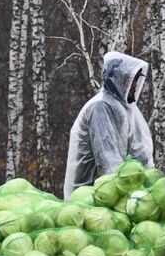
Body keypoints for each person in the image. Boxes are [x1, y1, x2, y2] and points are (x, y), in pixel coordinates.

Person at [63, 52, 154, 197]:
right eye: (132, 80)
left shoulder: (127, 109)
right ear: (120, 79)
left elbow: (140, 153)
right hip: (90, 193)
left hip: (113, 190)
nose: (135, 86)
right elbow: (107, 161)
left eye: (137, 80)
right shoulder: (100, 107)